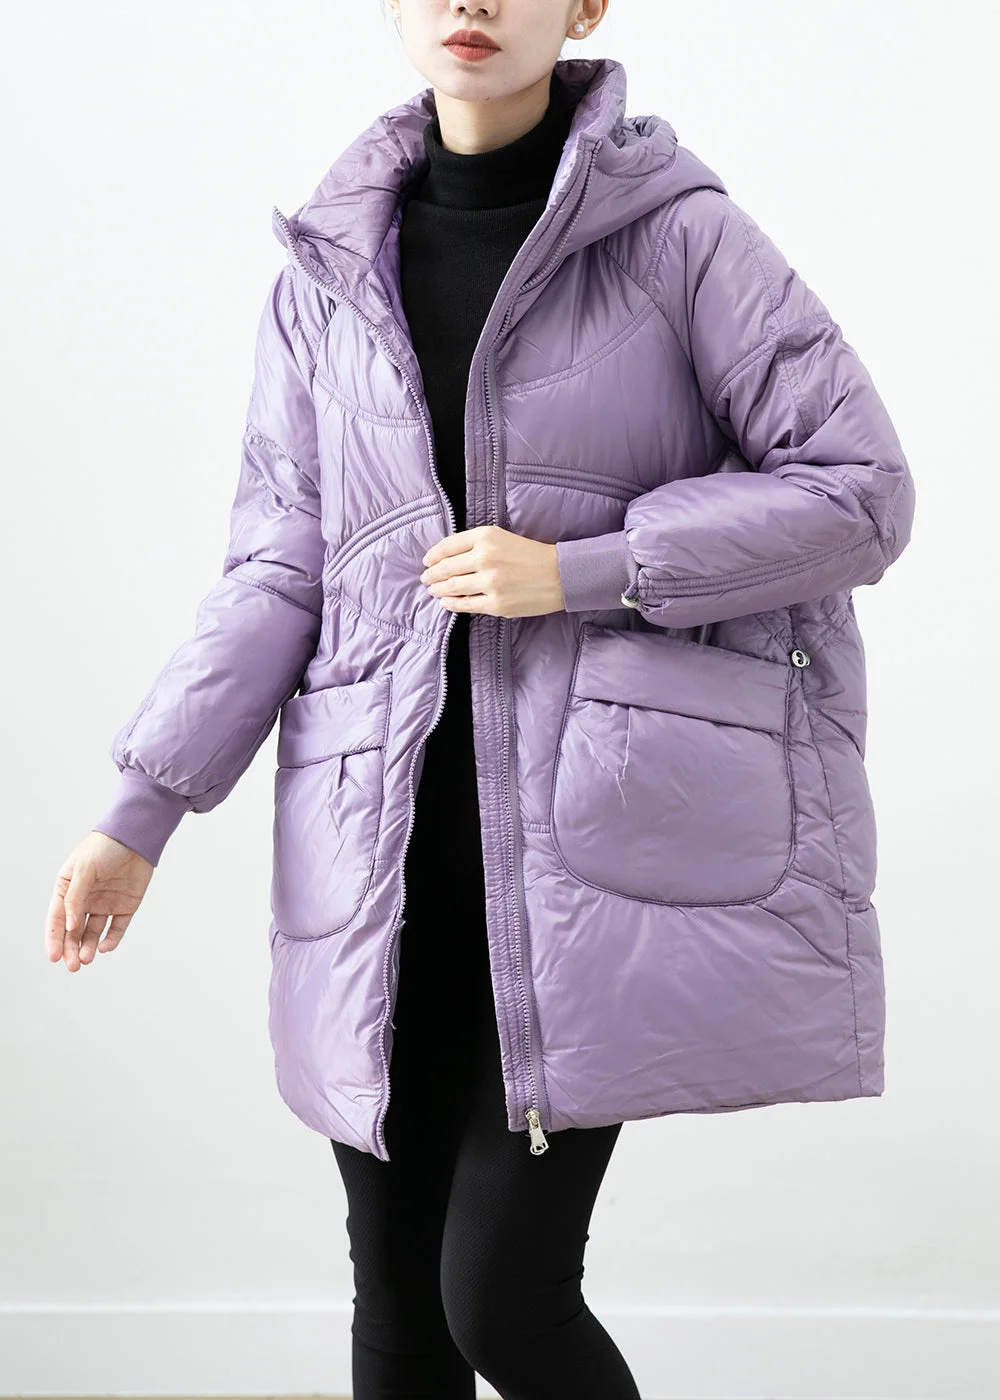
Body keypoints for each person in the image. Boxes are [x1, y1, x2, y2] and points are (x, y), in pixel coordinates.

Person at [45, 4, 916, 1398]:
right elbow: (279, 570)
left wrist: (582, 570)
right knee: (396, 1308)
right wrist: (138, 813)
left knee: (500, 1303)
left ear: (582, 7)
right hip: (377, 849)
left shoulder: (678, 239)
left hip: (586, 853)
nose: (470, 2)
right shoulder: (327, 275)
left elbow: (860, 494)